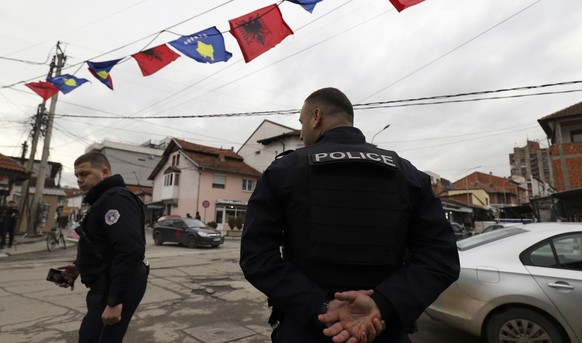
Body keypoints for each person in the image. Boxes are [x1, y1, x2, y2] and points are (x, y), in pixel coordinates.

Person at [239, 87, 460, 343]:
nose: (301, 133)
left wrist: (320, 306)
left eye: (301, 122)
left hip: (306, 333)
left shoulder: (283, 171)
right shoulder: (409, 175)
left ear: (316, 117)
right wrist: (383, 304)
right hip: (382, 332)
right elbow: (440, 258)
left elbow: (257, 257)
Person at [54, 151, 148, 343]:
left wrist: (115, 300)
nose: (79, 180)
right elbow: (101, 246)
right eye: (77, 176)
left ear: (104, 172)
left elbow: (130, 250)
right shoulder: (101, 200)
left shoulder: (115, 199)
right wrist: (79, 267)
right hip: (104, 284)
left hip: (116, 286)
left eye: (84, 174)